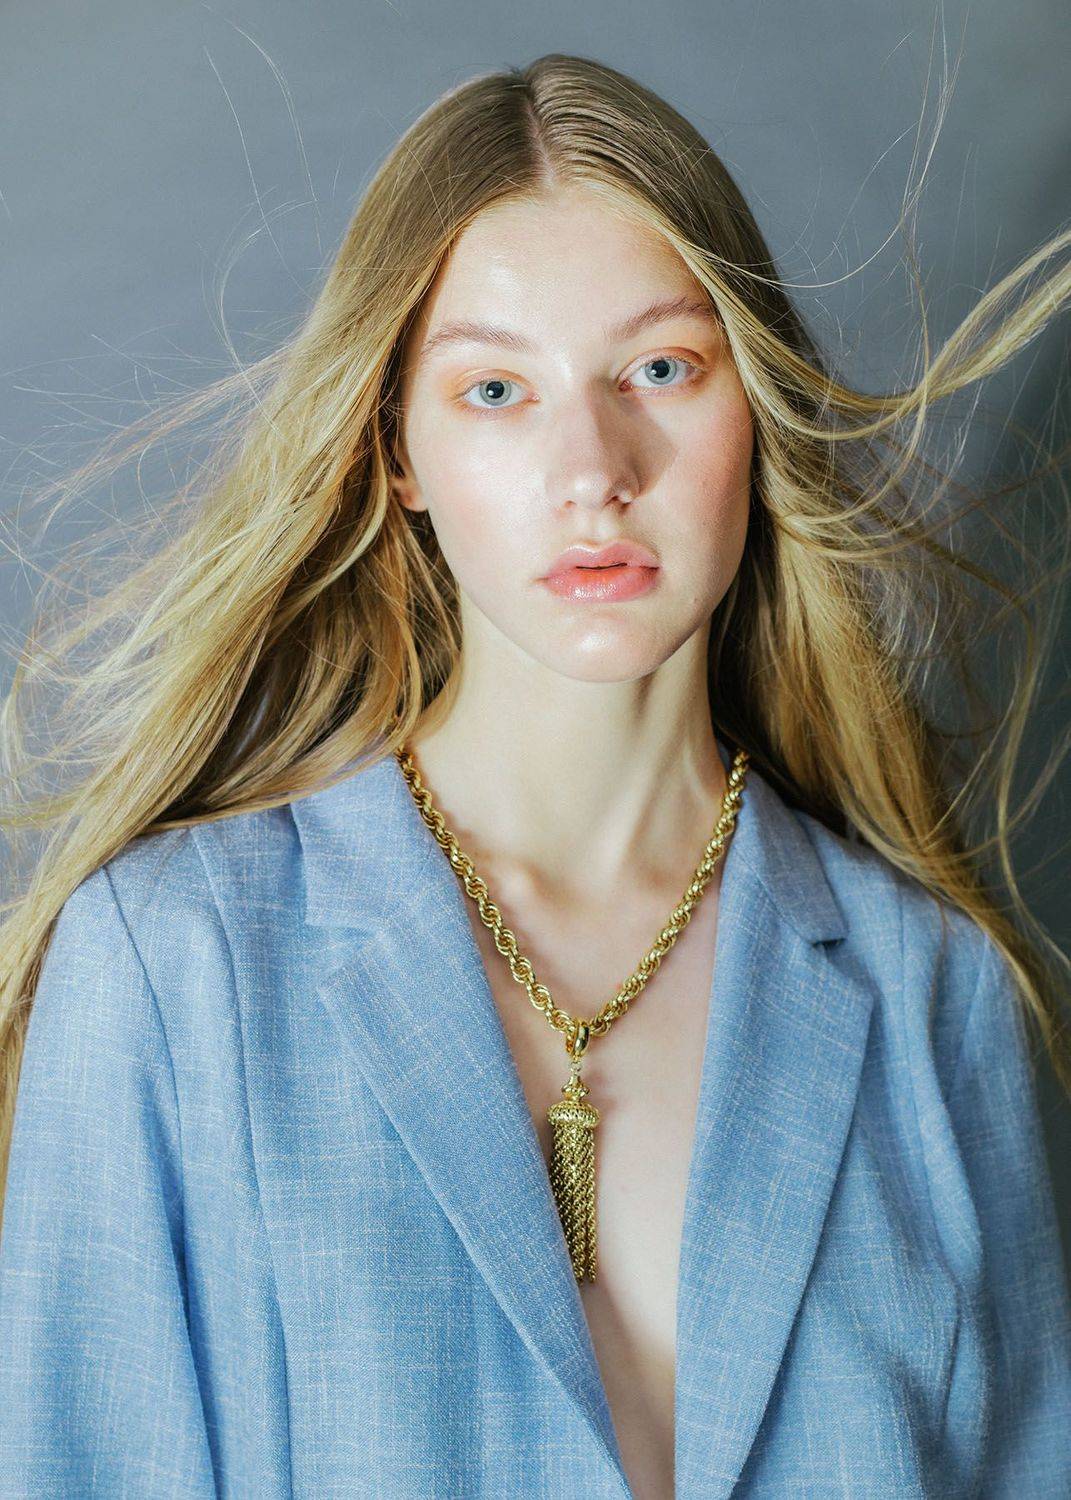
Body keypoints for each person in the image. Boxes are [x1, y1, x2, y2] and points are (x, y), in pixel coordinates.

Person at [1, 51, 1069, 1500]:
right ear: (399, 451)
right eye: (496, 388)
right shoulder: (168, 970)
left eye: (660, 369)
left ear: (752, 407)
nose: (593, 469)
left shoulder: (934, 996)